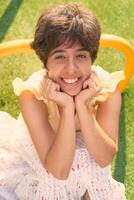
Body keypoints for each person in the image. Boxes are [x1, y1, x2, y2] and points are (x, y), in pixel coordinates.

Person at [0, 3, 126, 200]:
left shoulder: (106, 88)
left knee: (93, 165)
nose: (71, 69)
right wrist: (67, 108)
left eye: (81, 56)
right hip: (48, 148)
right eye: (59, 56)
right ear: (45, 63)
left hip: (88, 138)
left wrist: (83, 106)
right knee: (53, 178)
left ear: (91, 59)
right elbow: (58, 170)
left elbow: (104, 159)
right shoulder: (32, 94)